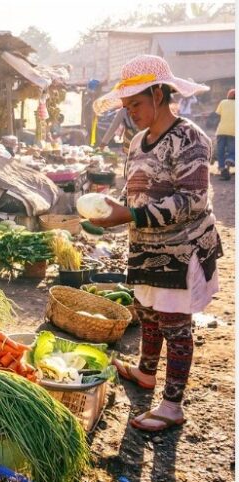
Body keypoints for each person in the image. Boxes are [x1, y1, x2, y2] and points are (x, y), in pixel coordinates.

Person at [91, 55, 222, 433]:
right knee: (146, 311)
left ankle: (172, 405)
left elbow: (193, 200)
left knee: (176, 325)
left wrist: (131, 216)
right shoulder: (137, 140)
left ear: (160, 94)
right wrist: (110, 211)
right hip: (146, 247)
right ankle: (147, 372)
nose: (130, 112)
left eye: (137, 103)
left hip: (181, 250)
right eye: (127, 105)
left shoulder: (189, 137)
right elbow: (135, 189)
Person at [214, 88, 235, 180]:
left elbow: (217, 115)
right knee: (232, 151)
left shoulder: (223, 102)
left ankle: (222, 169)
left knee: (220, 151)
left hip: (221, 130)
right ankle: (229, 161)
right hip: (233, 132)